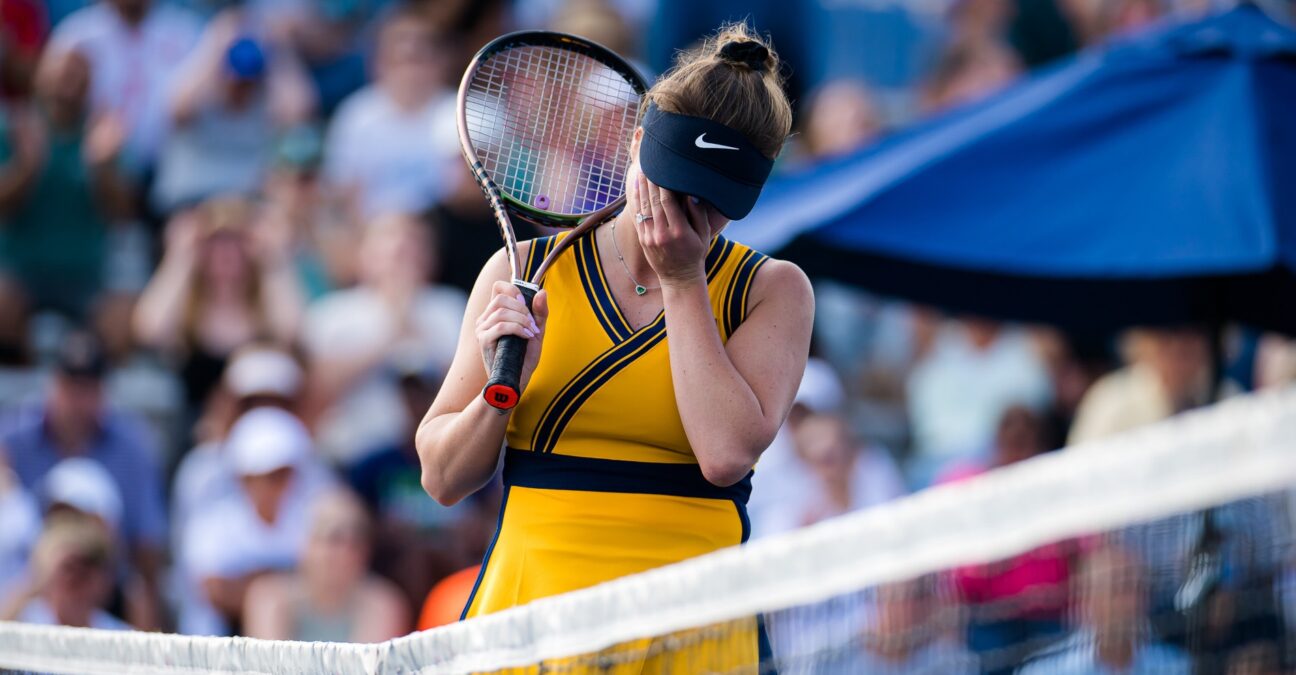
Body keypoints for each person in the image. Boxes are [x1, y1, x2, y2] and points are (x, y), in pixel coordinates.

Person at [416, 23, 813, 672]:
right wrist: (503, 386)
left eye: (716, 204)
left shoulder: (774, 290)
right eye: (676, 183)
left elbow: (724, 454)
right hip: (534, 617)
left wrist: (685, 281)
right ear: (636, 144)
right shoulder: (521, 272)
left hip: (694, 625)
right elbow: (442, 478)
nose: (689, 214)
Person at [0, 331, 165, 630]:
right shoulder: (11, 439)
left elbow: (147, 552)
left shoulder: (122, 621)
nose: (73, 533)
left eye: (83, 519)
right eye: (64, 517)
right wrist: (37, 581)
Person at [304, 212, 465, 464]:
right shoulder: (331, 314)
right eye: (392, 250)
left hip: (432, 456)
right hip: (354, 455)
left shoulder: (451, 307)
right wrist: (390, 333)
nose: (401, 259)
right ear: (364, 255)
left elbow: (468, 387)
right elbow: (317, 394)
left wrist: (417, 329)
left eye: (412, 248)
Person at [133, 196, 304, 413]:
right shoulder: (187, 310)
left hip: (255, 425)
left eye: (236, 242)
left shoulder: (265, 308)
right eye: (215, 242)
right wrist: (180, 258)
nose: (226, 252)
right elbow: (149, 330)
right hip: (193, 427)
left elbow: (292, 332)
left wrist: (274, 260)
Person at [0, 47, 133, 320]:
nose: (67, 83)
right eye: (60, 73)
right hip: (20, 272)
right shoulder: (14, 128)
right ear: (39, 77)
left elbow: (122, 213)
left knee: (119, 318)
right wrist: (26, 167)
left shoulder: (103, 133)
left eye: (77, 74)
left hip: (87, 276)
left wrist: (103, 167)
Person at [178, 407, 326, 636]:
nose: (280, 484)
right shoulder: (213, 521)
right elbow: (213, 591)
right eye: (269, 475)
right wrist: (277, 592)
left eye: (285, 473)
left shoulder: (311, 515)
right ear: (244, 477)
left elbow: (328, 586)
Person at [151, 9, 315, 214]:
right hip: (192, 201)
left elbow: (300, 114)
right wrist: (214, 47)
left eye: (246, 80)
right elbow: (176, 110)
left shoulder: (269, 96)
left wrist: (278, 49)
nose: (240, 84)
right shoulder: (201, 87)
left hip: (250, 204)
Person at [323, 8, 457, 218]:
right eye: (400, 60)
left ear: (440, 63)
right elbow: (343, 194)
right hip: (374, 235)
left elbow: (469, 196)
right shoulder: (355, 116)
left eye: (418, 59)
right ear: (378, 65)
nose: (410, 72)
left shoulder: (462, 113)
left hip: (446, 231)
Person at [46, 0, 201, 171]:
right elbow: (51, 115)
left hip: (173, 173)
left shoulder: (189, 31)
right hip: (90, 175)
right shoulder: (74, 35)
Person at [243, 489, 408, 642]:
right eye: (334, 538)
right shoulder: (268, 597)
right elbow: (269, 668)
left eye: (357, 540)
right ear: (306, 543)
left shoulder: (384, 604)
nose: (346, 552)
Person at [1018, 544, 1192, 674]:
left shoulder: (1176, 666)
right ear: (1088, 599)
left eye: (1138, 589)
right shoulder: (1043, 672)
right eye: (1118, 591)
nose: (1131, 602)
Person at [1, 511, 130, 630]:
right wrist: (35, 582)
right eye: (67, 568)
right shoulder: (25, 622)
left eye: (87, 570)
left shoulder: (117, 633)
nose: (75, 578)